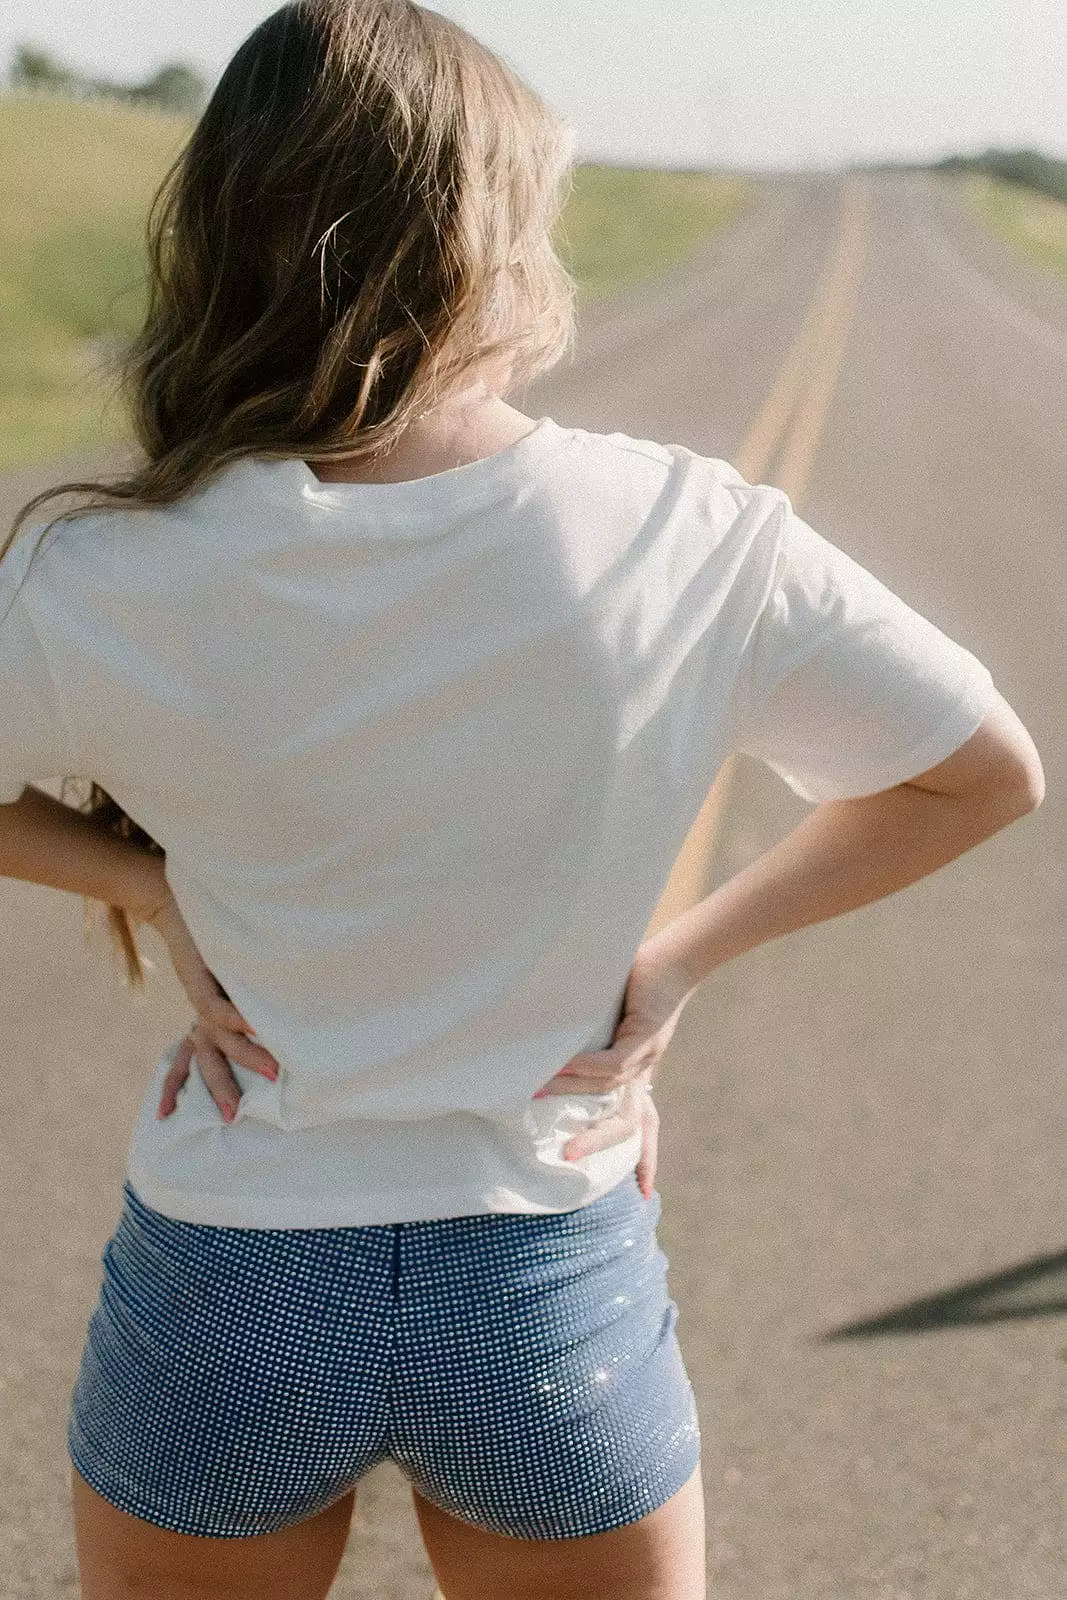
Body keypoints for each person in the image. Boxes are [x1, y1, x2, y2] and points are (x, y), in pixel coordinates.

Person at [0, 2, 1044, 1597]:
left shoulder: (100, 569)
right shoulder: (688, 529)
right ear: (491, 237)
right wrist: (677, 959)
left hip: (230, 1282)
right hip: (542, 1278)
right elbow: (980, 776)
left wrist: (156, 890)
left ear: (221, 225)